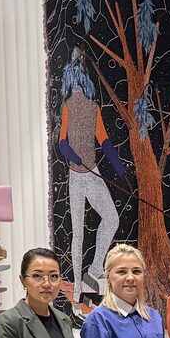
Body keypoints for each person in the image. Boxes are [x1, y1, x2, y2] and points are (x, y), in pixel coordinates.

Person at [57, 57, 125, 296]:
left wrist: (119, 167)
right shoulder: (67, 107)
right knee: (78, 231)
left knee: (111, 218)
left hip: (93, 173)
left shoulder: (93, 108)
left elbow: (104, 139)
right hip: (76, 176)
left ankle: (94, 271)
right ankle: (77, 287)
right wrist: (73, 158)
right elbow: (62, 142)